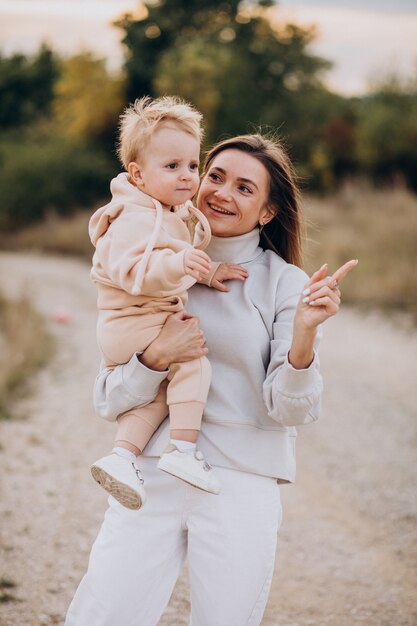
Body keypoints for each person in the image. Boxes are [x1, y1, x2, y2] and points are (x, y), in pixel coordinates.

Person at [66, 133, 357, 626]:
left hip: (241, 484)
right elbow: (108, 399)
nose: (221, 192)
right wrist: (156, 357)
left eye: (246, 188)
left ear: (267, 211)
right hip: (151, 475)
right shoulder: (148, 262)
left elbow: (291, 410)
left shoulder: (286, 284)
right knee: (103, 614)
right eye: (215, 176)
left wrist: (305, 336)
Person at [89, 96, 246, 509]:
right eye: (172, 167)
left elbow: (176, 256)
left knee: (161, 391)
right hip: (132, 321)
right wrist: (179, 262)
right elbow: (137, 270)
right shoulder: (131, 216)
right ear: (138, 174)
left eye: (193, 166)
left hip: (140, 322)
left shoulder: (167, 210)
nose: (187, 177)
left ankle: (122, 456)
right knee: (193, 363)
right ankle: (183, 451)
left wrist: (207, 271)